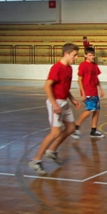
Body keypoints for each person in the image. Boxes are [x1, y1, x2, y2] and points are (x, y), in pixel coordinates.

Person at [28, 43, 79, 176]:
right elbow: (47, 87)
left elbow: (65, 87)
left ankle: (52, 151)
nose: (76, 58)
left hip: (64, 101)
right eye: (74, 55)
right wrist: (54, 104)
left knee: (71, 128)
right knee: (55, 132)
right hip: (55, 102)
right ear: (66, 54)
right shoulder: (56, 68)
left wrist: (72, 99)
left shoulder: (69, 69)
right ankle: (36, 160)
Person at [74, 47, 105, 139]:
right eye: (90, 55)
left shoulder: (95, 65)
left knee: (96, 110)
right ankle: (76, 127)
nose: (92, 57)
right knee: (90, 110)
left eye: (93, 55)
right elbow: (79, 80)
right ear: (85, 55)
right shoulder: (83, 65)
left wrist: (101, 89)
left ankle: (93, 130)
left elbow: (96, 78)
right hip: (88, 91)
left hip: (94, 91)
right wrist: (83, 93)